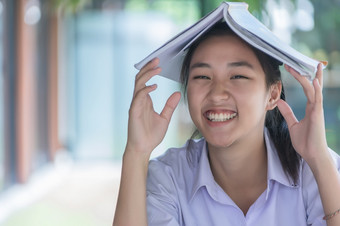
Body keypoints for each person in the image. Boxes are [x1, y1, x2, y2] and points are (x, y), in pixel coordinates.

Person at [113, 20, 340, 226]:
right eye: (202, 76)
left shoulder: (315, 168)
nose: (217, 93)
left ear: (272, 95)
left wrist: (319, 160)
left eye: (237, 76)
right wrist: (136, 151)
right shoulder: (168, 177)